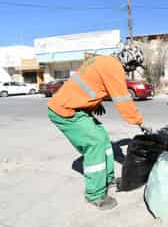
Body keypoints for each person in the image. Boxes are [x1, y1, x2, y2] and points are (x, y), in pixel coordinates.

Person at [47, 45, 149, 210]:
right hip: (65, 110)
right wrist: (140, 123)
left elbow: (89, 82)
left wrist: (95, 103)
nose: (132, 69)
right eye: (133, 66)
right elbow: (123, 100)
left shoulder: (103, 60)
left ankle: (107, 179)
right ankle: (95, 194)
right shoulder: (114, 67)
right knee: (94, 144)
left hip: (77, 108)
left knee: (103, 139)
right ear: (127, 62)